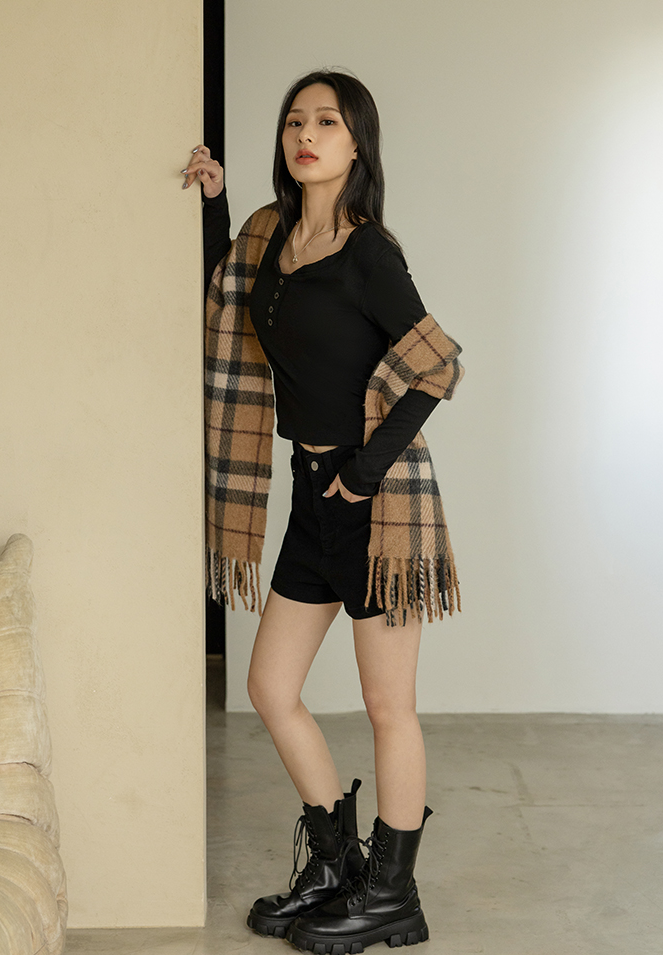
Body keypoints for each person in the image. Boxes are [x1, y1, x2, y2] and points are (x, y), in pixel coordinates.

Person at [183, 70, 463, 953]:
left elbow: (438, 367)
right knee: (270, 687)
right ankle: (338, 863)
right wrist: (213, 203)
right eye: (294, 121)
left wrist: (363, 475)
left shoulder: (369, 253)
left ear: (356, 143)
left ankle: (392, 895)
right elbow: (228, 294)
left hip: (375, 506)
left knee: (387, 706)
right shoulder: (269, 235)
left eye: (327, 122)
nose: (306, 135)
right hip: (310, 497)